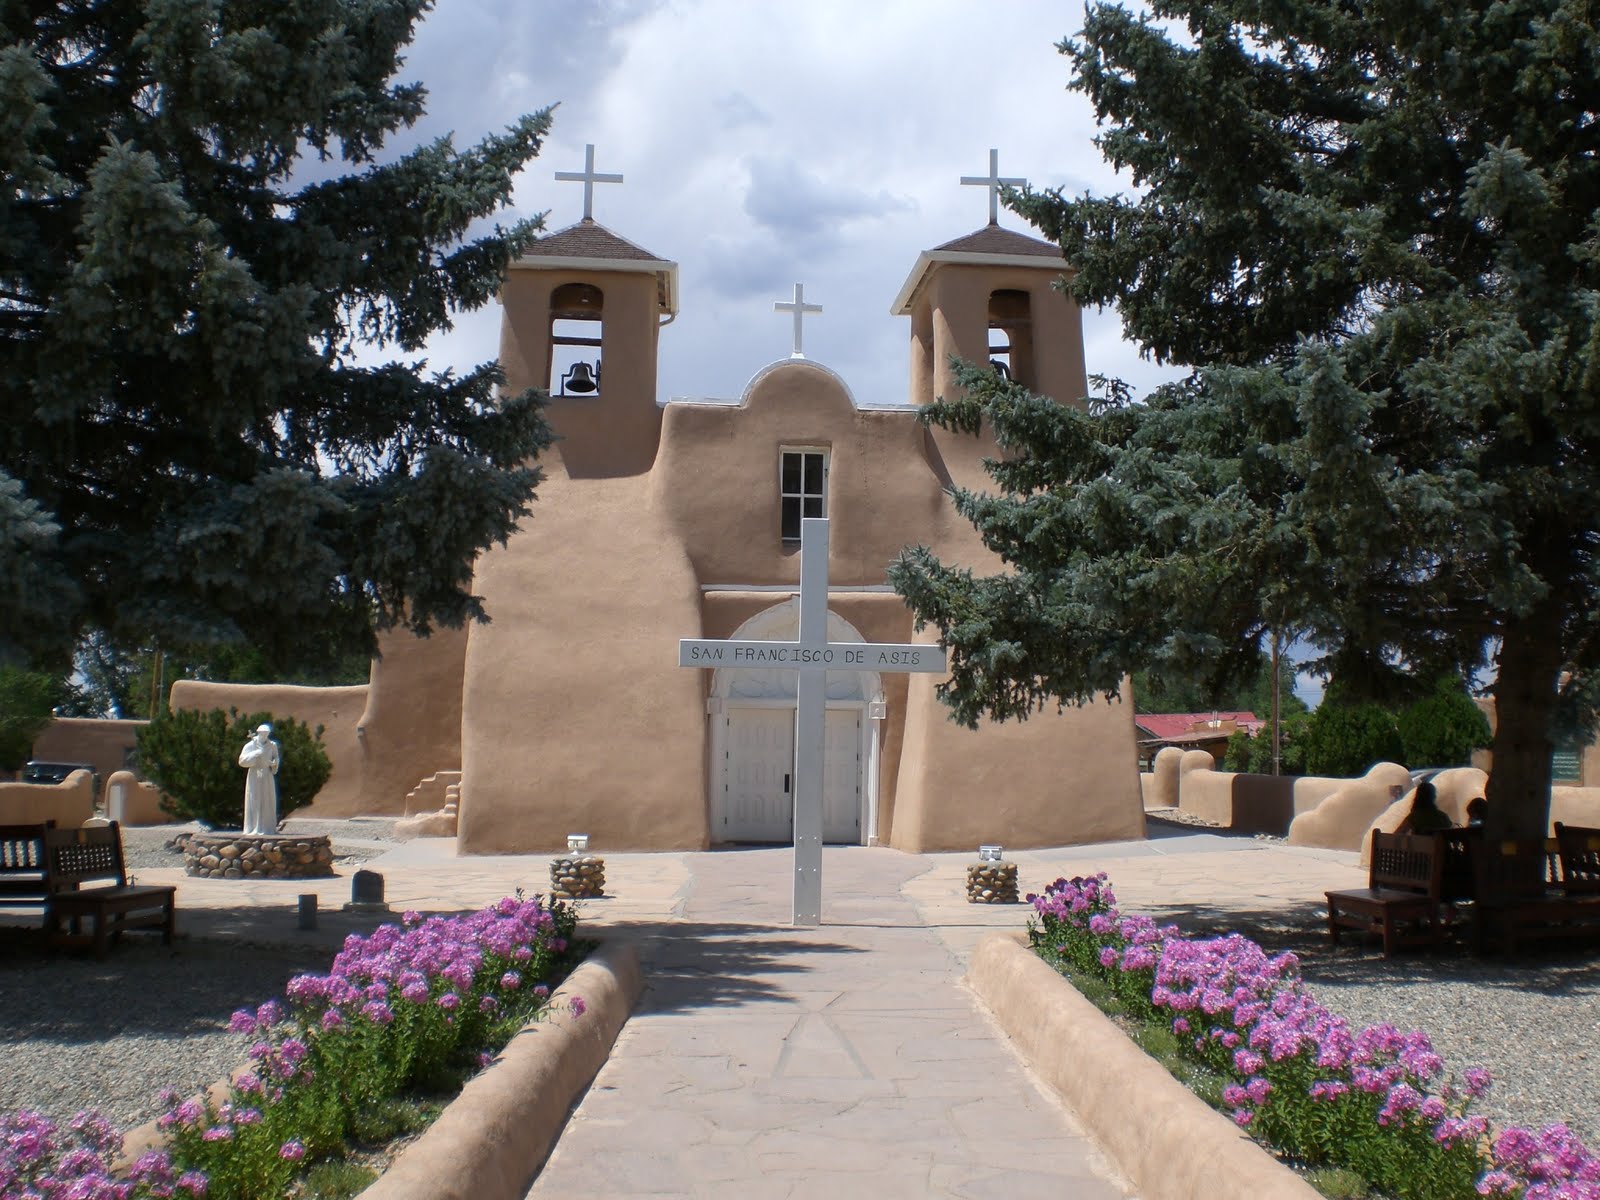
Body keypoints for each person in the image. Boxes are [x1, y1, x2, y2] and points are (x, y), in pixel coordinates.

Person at [239, 723, 280, 835]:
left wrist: (274, 764)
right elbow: (242, 761)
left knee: (267, 799)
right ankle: (254, 827)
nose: (265, 735)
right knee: (254, 799)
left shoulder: (272, 745)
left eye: (267, 733)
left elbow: (276, 757)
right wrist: (254, 754)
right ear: (258, 732)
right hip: (255, 774)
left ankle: (267, 827)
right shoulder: (250, 745)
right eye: (263, 733)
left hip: (267, 775)